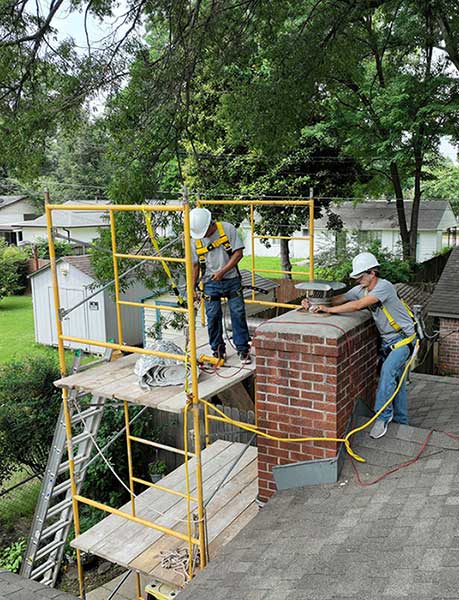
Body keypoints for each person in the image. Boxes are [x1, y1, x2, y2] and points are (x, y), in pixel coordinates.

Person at [301, 252, 416, 439]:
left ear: (372, 273)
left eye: (361, 276)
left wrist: (328, 310)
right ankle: (402, 421)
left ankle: (382, 416)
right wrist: (314, 303)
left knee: (387, 373)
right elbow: (341, 299)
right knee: (397, 380)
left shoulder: (384, 287)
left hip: (403, 340)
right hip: (388, 342)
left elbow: (357, 306)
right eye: (356, 277)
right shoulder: (361, 288)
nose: (358, 280)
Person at [189, 207, 251, 363]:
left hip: (231, 280)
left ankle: (243, 349)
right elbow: (195, 266)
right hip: (210, 283)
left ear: (211, 224)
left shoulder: (227, 229)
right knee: (213, 316)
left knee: (237, 313)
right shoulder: (194, 239)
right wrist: (192, 289)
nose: (204, 236)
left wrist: (223, 271)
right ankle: (217, 350)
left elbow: (238, 253)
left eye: (205, 232)